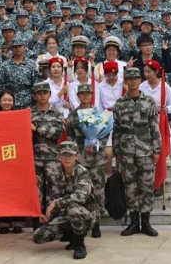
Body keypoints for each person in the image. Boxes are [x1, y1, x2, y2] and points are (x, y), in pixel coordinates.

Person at [112, 67, 161, 237]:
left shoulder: (149, 101)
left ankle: (146, 222)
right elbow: (116, 129)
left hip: (145, 150)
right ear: (125, 81)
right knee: (130, 187)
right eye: (129, 79)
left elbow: (154, 127)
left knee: (146, 187)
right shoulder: (120, 104)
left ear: (140, 80)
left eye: (136, 78)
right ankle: (134, 222)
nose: (133, 82)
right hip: (126, 151)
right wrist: (117, 151)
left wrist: (157, 150)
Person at [33, 141, 97, 260]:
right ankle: (71, 235)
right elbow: (55, 199)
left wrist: (56, 203)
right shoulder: (56, 174)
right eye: (64, 155)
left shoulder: (82, 172)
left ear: (76, 156)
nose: (67, 158)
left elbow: (80, 197)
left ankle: (79, 244)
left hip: (87, 214)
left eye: (70, 155)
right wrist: (48, 216)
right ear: (59, 156)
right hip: (67, 214)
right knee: (39, 236)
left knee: (73, 207)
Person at [66, 84, 107, 239]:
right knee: (81, 190)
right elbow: (70, 137)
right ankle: (82, 222)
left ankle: (96, 223)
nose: (85, 96)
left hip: (97, 159)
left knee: (98, 191)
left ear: (92, 95)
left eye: (87, 93)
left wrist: (96, 146)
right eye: (82, 93)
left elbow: (104, 135)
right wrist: (73, 155)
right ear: (78, 96)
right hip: (80, 159)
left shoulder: (99, 113)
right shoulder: (73, 115)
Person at [30, 82, 65, 231]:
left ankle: (58, 224)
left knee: (56, 190)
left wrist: (37, 129)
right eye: (39, 93)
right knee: (35, 192)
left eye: (45, 93)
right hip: (34, 158)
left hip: (52, 158)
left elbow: (58, 132)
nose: (42, 96)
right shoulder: (29, 113)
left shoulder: (57, 113)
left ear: (50, 94)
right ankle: (37, 225)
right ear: (34, 96)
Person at [0, 89, 26, 234]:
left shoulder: (20, 116)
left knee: (17, 189)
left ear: (13, 102)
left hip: (16, 157)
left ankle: (18, 221)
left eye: (10, 100)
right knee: (1, 190)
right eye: (4, 100)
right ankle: (3, 221)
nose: (7, 102)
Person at [139, 59, 171, 172]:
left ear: (156, 72)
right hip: (146, 118)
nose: (146, 74)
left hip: (160, 118)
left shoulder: (165, 87)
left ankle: (165, 156)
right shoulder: (142, 87)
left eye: (149, 71)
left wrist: (167, 109)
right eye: (145, 72)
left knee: (161, 138)